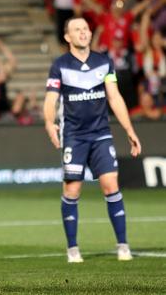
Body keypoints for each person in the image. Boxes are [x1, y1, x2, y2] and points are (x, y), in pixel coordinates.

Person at [43, 17, 141, 263]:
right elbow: (50, 99)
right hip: (74, 136)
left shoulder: (103, 62)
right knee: (72, 189)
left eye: (85, 28)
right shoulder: (60, 65)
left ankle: (123, 245)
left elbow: (115, 98)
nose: (83, 33)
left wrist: (129, 129)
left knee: (111, 186)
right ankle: (73, 249)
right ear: (67, 37)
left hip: (101, 134)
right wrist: (48, 122)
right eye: (77, 29)